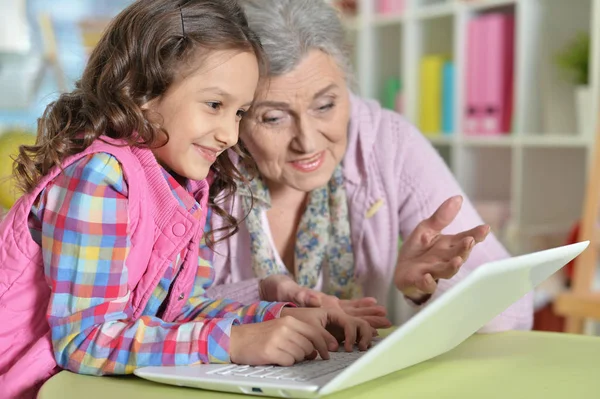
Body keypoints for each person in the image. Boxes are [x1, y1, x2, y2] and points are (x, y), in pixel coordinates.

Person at [0, 1, 373, 397]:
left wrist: (284, 319)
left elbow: (177, 311)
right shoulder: (99, 177)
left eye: (239, 113)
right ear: (141, 91)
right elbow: (85, 340)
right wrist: (232, 342)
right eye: (215, 105)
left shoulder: (179, 184)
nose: (230, 135)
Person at [205, 0, 533, 331]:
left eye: (325, 105)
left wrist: (428, 288)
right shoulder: (202, 158)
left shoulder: (386, 143)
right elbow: (158, 312)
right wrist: (261, 297)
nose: (307, 141)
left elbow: (515, 309)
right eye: (274, 118)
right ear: (237, 112)